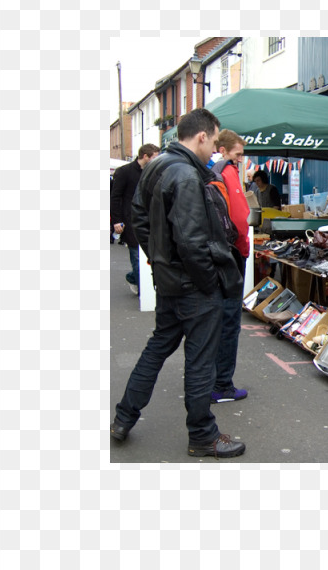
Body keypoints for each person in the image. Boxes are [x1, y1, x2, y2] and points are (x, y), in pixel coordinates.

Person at [110, 108, 246, 459]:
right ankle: (202, 435)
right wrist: (207, 282)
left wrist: (159, 261)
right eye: (214, 141)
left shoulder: (159, 164)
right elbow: (192, 241)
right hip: (192, 286)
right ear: (202, 136)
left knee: (157, 347)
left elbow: (139, 217)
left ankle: (124, 417)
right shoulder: (186, 175)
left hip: (170, 281)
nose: (215, 149)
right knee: (200, 361)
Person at [210, 129, 251, 403]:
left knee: (217, 321)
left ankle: (210, 380)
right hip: (231, 256)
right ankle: (221, 385)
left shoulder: (212, 171)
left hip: (219, 255)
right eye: (237, 154)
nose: (240, 159)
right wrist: (244, 247)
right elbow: (238, 218)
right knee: (229, 322)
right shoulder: (227, 171)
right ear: (223, 151)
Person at [110, 144, 160, 294]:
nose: (156, 161)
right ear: (145, 156)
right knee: (136, 255)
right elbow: (115, 197)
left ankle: (133, 277)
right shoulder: (124, 172)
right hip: (130, 219)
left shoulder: (154, 172)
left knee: (148, 255)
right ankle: (143, 290)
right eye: (154, 157)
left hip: (150, 220)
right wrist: (117, 221)